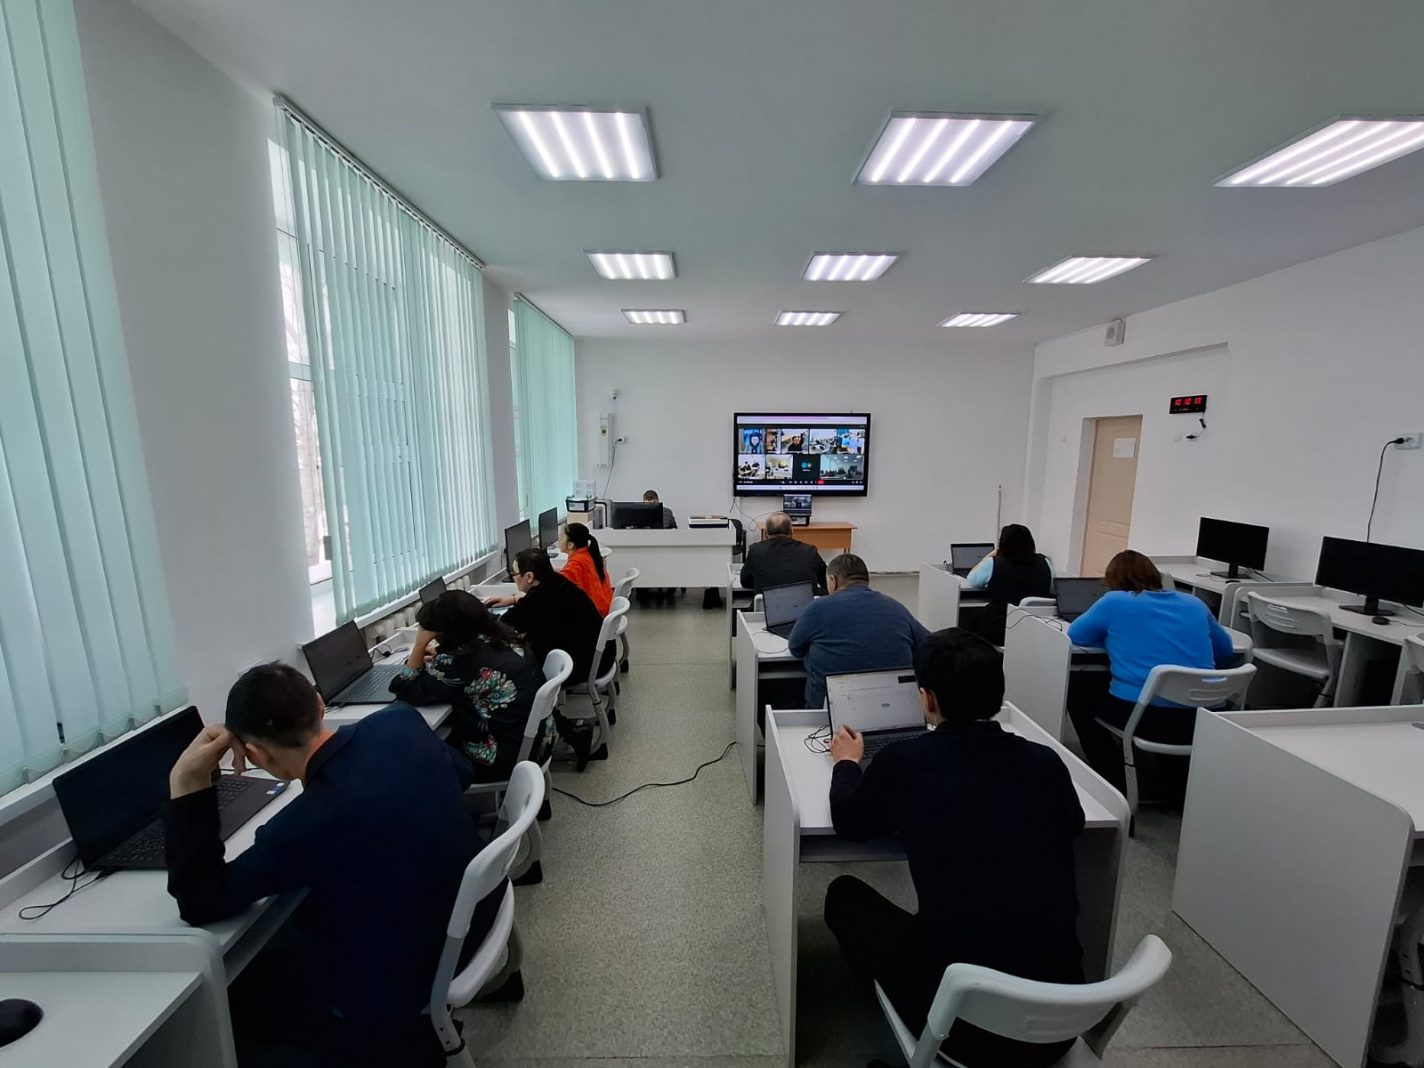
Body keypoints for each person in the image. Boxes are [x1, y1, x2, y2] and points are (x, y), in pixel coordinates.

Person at [164, 663, 504, 1067]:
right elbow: (462, 773)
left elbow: (201, 900)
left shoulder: (303, 825)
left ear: (255, 754)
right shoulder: (400, 722)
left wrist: (186, 784)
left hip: (409, 974)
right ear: (319, 705)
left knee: (251, 982)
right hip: (476, 917)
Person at [823, 629, 1086, 1068]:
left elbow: (850, 823)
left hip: (960, 1024)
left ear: (926, 699)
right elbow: (1073, 824)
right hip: (1061, 1019)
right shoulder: (1046, 763)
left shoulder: (904, 763)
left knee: (844, 896)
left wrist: (847, 764)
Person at [1065, 550, 1235, 795]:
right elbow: (1225, 649)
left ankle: (1114, 781)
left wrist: (1115, 638)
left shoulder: (1114, 602)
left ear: (1112, 579)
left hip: (1147, 718)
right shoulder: (1194, 603)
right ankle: (1175, 783)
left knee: (1077, 690)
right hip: (1204, 716)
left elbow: (1077, 635)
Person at [390, 589, 546, 781]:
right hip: (536, 743)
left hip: (502, 757)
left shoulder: (459, 662)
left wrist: (420, 645)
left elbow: (405, 690)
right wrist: (444, 653)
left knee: (412, 752)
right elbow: (475, 664)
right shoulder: (505, 637)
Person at [493, 547, 615, 769]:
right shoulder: (557, 583)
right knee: (527, 666)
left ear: (530, 577)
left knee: (522, 681)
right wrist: (514, 600)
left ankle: (566, 731)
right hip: (598, 653)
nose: (513, 579)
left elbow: (502, 626)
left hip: (587, 662)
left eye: (514, 575)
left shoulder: (538, 599)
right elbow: (532, 609)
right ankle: (570, 731)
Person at [787, 553, 929, 708]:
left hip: (830, 714)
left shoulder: (816, 609)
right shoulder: (897, 608)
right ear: (866, 580)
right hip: (896, 710)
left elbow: (795, 648)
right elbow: (928, 646)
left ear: (833, 581)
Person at [964, 523, 1055, 644]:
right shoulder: (1045, 563)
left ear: (1003, 544)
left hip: (999, 628)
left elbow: (972, 581)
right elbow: (1053, 588)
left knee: (968, 627)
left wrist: (993, 553)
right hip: (1035, 628)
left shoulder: (994, 563)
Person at [739, 512, 827, 595]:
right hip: (804, 605)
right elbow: (826, 582)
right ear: (791, 531)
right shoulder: (809, 551)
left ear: (766, 533)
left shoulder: (756, 551)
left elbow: (745, 582)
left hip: (767, 605)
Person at [560, 521, 613, 615]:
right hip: (603, 608)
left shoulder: (576, 563)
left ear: (571, 545)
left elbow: (559, 585)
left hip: (594, 614)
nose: (558, 540)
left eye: (561, 537)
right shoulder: (588, 555)